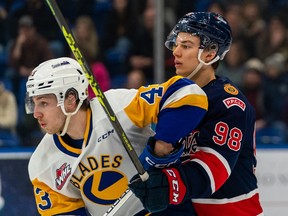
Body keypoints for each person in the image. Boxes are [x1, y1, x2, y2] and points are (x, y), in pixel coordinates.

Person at [26, 57, 208, 215]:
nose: (36, 113)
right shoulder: (42, 164)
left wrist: (160, 146)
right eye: (34, 104)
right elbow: (62, 212)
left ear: (71, 99)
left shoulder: (117, 107)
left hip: (165, 210)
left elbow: (188, 93)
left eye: (43, 103)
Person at [129, 12, 264, 215]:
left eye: (186, 46)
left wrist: (168, 184)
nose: (176, 52)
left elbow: (213, 169)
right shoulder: (173, 96)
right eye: (176, 44)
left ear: (210, 53)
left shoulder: (230, 104)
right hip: (190, 209)